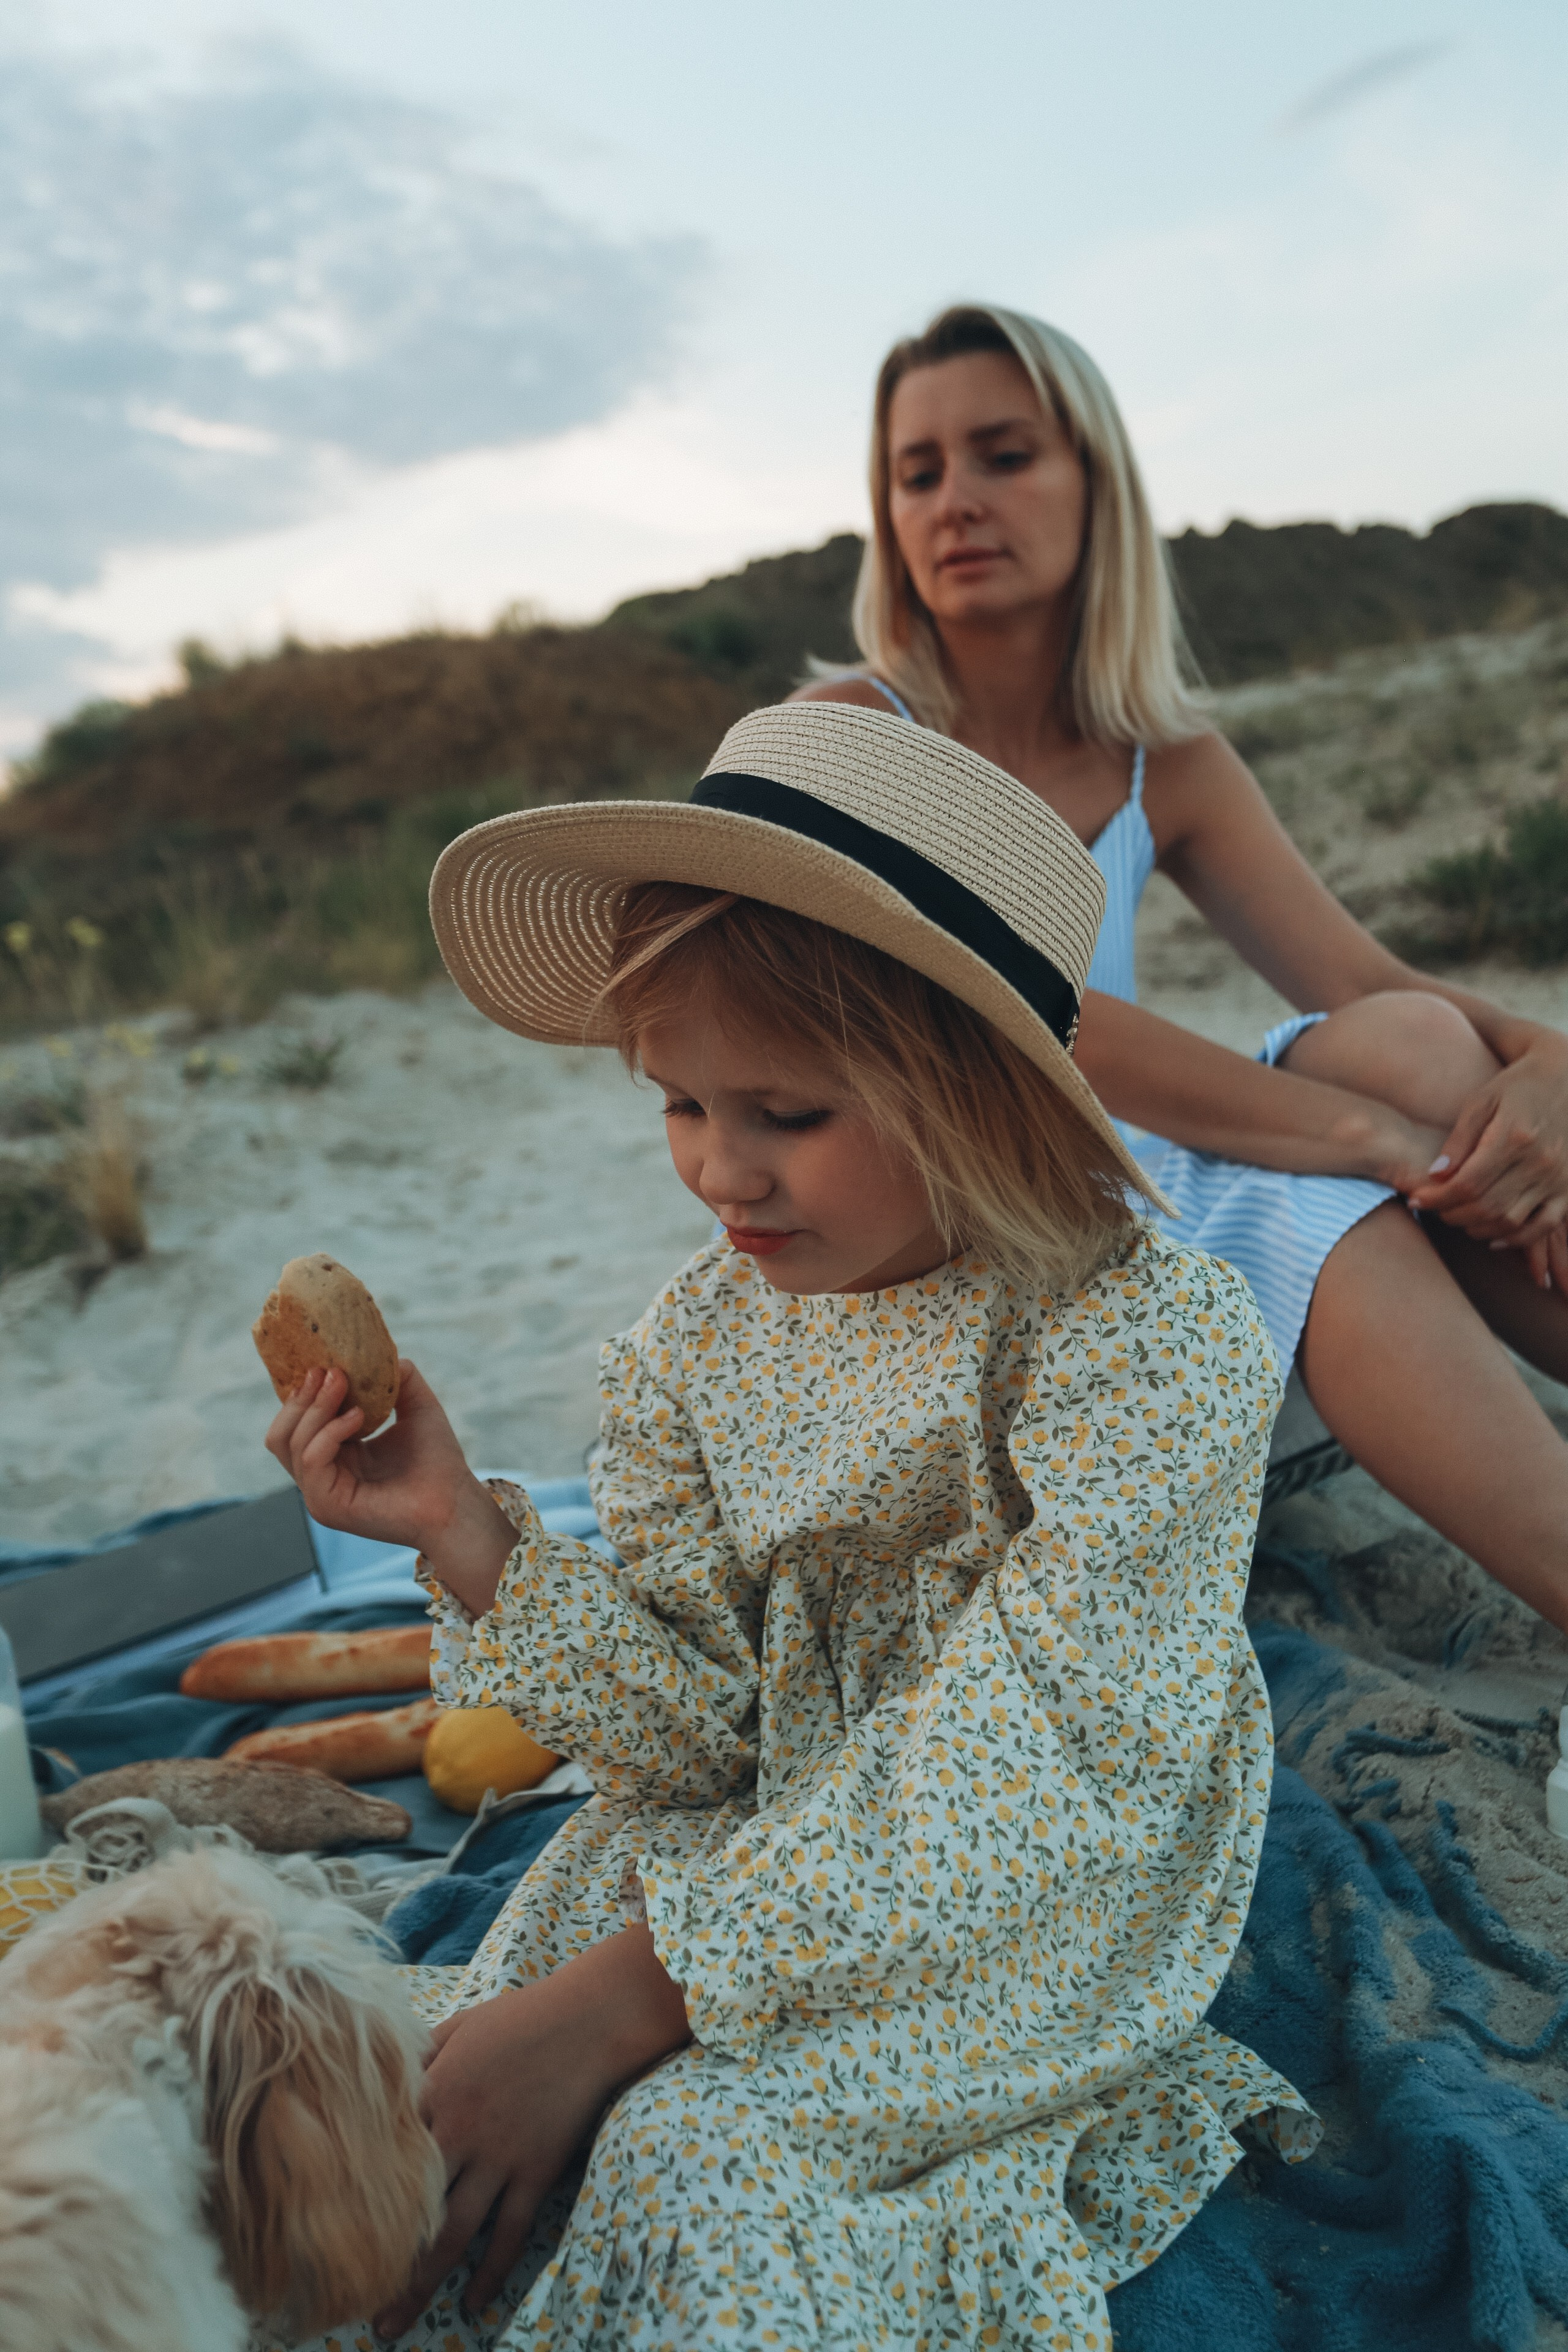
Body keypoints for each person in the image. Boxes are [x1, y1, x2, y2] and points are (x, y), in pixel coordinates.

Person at [266, 702, 1313, 2351]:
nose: (718, 1177)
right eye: (679, 1108)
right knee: (460, 2123)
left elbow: (1042, 1752)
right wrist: (463, 1532)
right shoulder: (698, 1344)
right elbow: (701, 1745)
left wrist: (634, 1997)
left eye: (787, 1114)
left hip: (1039, 1867)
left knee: (709, 2164)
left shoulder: (1141, 1337)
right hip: (761, 1843)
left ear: (974, 1086)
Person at [797, 302, 1568, 1635]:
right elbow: (1017, 1019)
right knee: (1317, 1195)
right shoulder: (851, 736)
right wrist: (1354, 1137)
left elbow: (1366, 979)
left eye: (1001, 455)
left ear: (1096, 483)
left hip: (1104, 1191)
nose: (955, 502)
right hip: (926, 1220)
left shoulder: (1167, 763)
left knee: (1422, 1050)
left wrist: (1547, 1059)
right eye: (915, 474)